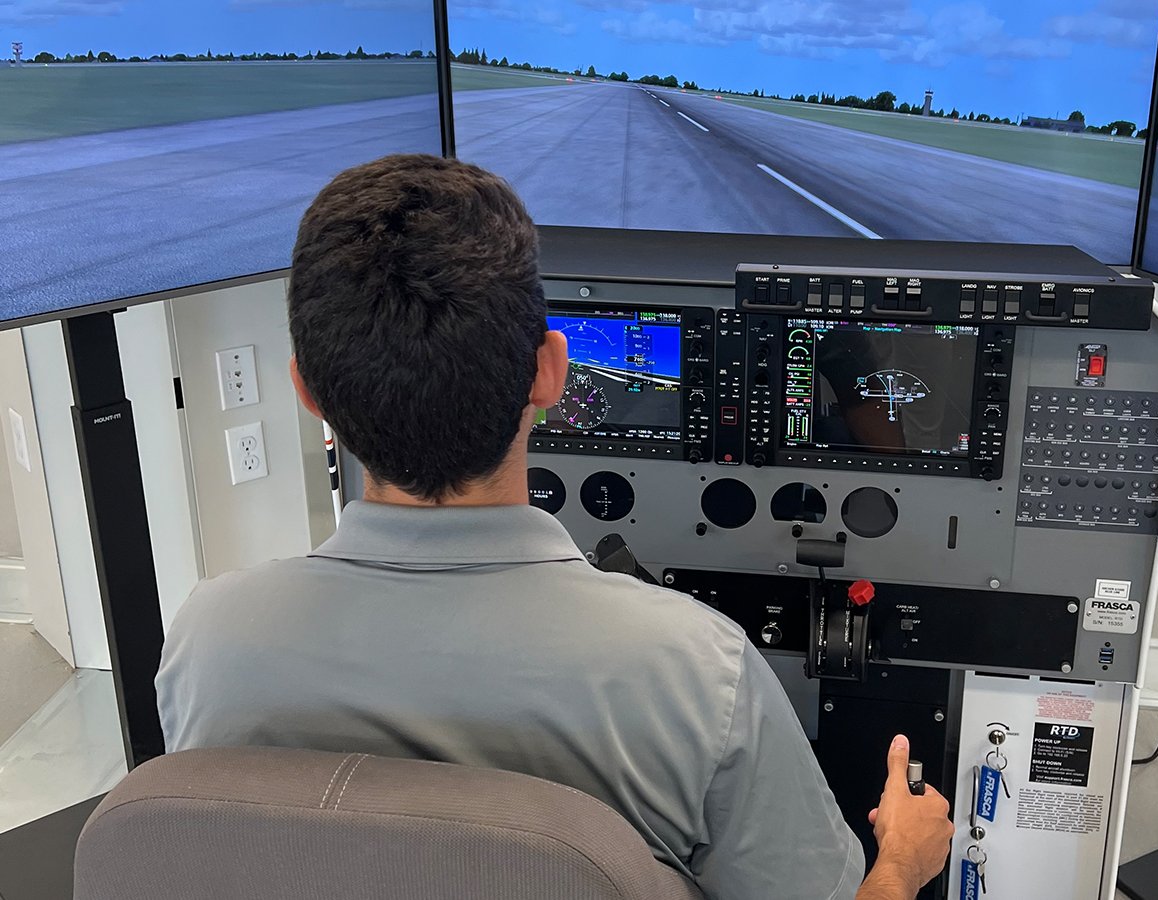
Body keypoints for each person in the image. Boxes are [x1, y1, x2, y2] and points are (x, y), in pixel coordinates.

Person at [155, 154, 953, 900]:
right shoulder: (696, 675)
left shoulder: (206, 643)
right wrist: (902, 863)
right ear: (550, 369)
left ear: (307, 390)